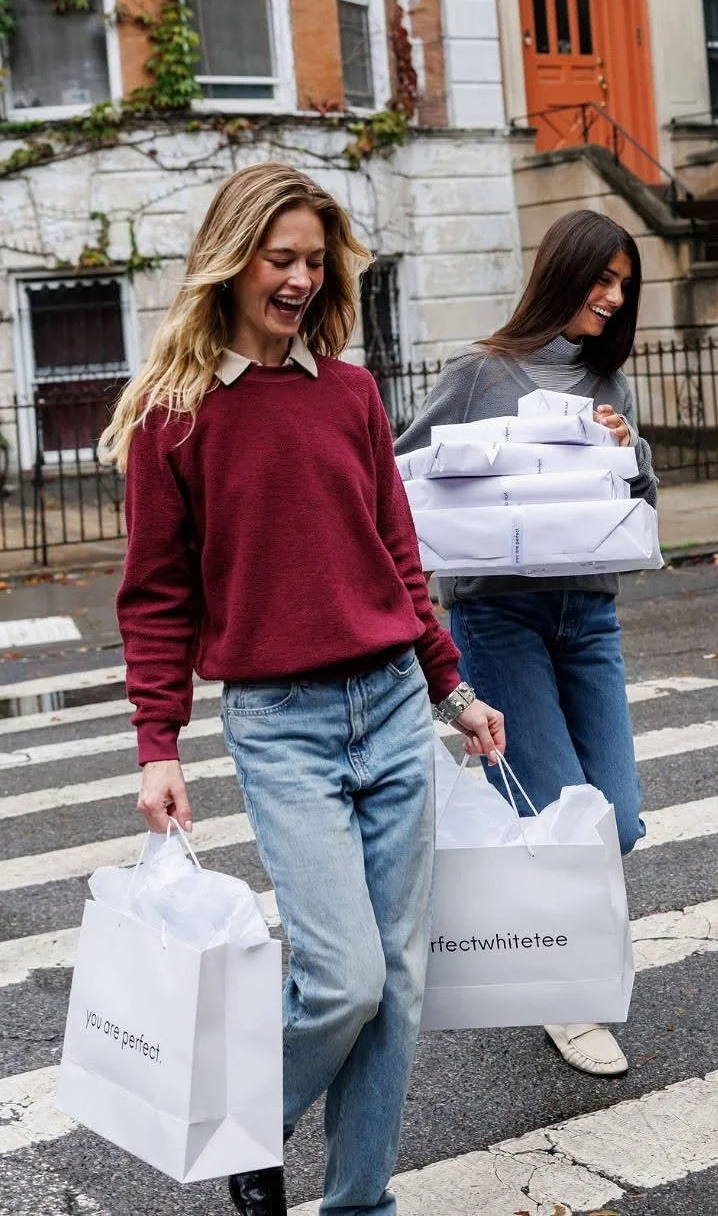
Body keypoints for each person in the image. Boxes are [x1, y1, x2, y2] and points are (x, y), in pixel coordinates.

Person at [99, 162, 505, 1216]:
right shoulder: (175, 417)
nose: (299, 280)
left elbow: (399, 560)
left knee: (399, 986)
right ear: (231, 263)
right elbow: (155, 598)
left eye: (315, 262)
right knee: (343, 977)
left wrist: (452, 692)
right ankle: (251, 1124)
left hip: (393, 703)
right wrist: (157, 745)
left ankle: (360, 1202)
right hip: (283, 726)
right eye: (280, 259)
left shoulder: (353, 394)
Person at [396, 208, 658, 1076]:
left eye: (624, 286)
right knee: (558, 815)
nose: (613, 299)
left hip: (590, 615)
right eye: (602, 279)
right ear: (562, 272)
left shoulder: (606, 381)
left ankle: (540, 911)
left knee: (617, 820)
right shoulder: (479, 373)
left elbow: (640, 505)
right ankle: (564, 996)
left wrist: (628, 449)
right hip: (499, 617)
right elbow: (398, 479)